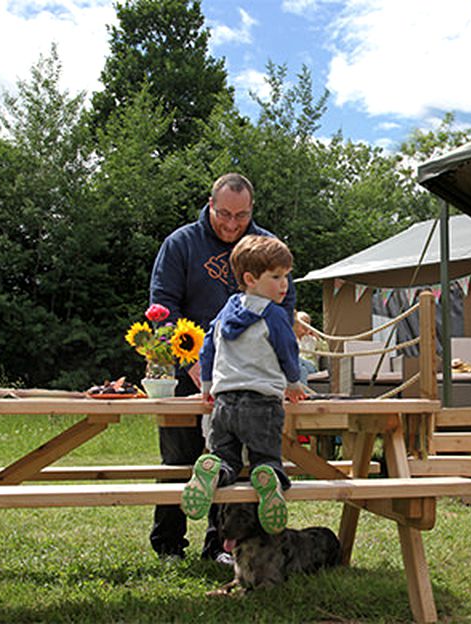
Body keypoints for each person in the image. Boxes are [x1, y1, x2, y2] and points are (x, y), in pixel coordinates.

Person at [149, 172, 296, 565]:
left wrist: (282, 370)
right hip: (191, 373)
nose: (232, 224)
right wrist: (189, 360)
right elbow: (162, 307)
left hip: (250, 381)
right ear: (210, 204)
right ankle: (169, 545)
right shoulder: (181, 244)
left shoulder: (265, 246)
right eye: (225, 214)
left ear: (252, 210)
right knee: (180, 459)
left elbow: (285, 308)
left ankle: (220, 546)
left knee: (235, 462)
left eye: (242, 216)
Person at [184, 235, 309, 535]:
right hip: (262, 403)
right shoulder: (274, 314)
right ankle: (269, 477)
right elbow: (288, 350)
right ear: (250, 279)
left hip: (224, 402)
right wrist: (293, 383)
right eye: (276, 277)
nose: (284, 285)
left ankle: (214, 473)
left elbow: (207, 349)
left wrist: (207, 386)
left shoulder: (227, 310)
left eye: (286, 276)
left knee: (225, 458)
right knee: (266, 458)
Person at [294, 311, 320, 376]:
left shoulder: (312, 338)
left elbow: (327, 350)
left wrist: (317, 338)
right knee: (301, 369)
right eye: (303, 322)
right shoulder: (290, 337)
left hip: (311, 366)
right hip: (297, 367)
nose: (306, 325)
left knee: (298, 362)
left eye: (307, 323)